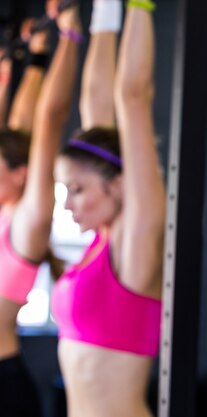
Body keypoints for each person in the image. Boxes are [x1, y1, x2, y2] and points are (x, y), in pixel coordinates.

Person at [51, 0, 164, 416]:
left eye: (77, 189)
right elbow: (96, 101)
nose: (67, 203)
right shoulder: (99, 244)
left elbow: (132, 97)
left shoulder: (135, 246)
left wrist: (138, 6)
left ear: (118, 184)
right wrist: (104, 12)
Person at [0, 2, 81, 416]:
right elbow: (14, 122)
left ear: (20, 174)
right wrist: (30, 57)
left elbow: (46, 122)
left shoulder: (25, 223)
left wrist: (69, 36)